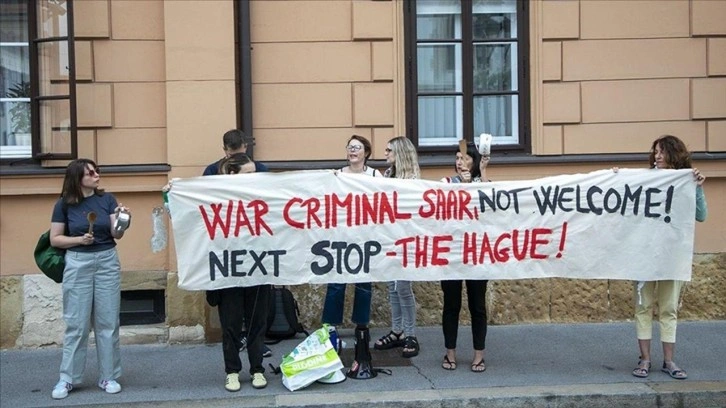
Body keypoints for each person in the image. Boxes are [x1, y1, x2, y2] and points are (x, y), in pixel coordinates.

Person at [49, 159, 131, 399]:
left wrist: (123, 220)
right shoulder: (64, 204)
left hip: (107, 260)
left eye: (97, 171)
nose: (97, 175)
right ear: (78, 178)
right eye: (91, 173)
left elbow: (116, 234)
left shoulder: (107, 200)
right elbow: (55, 238)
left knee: (108, 322)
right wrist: (78, 240)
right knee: (76, 324)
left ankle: (108, 376)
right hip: (77, 262)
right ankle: (68, 378)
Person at [630, 135, 708, 380]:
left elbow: (701, 215)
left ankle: (668, 360)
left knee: (669, 308)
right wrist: (616, 178)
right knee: (643, 307)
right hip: (644, 254)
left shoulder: (686, 181)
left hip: (671, 255)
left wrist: (697, 188)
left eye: (662, 152)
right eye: (655, 152)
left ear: (675, 154)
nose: (658, 156)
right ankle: (645, 359)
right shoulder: (645, 180)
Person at [214, 153, 272, 391]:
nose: (254, 177)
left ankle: (257, 369)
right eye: (248, 173)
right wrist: (171, 194)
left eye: (254, 172)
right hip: (229, 270)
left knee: (258, 322)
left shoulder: (264, 194)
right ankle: (232, 371)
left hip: (258, 267)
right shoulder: (215, 195)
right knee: (231, 324)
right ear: (232, 174)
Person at [322, 136, 382, 347]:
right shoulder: (338, 175)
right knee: (336, 282)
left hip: (365, 237)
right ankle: (330, 326)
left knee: (363, 283)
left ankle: (362, 326)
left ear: (366, 152)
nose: (352, 151)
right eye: (350, 147)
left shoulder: (374, 175)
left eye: (357, 147)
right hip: (341, 236)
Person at [439, 141, 490, 372]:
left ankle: (479, 355)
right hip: (451, 253)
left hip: (477, 254)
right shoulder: (446, 183)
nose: (460, 162)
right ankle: (450, 352)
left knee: (477, 306)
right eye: (457, 158)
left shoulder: (484, 183)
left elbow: (490, 207)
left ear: (475, 161)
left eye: (465, 158)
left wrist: (479, 177)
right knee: (451, 305)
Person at [373, 136, 421, 358]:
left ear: (400, 153)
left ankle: (410, 334)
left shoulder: (413, 182)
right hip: (390, 238)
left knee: (402, 286)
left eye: (389, 150)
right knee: (392, 286)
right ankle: (397, 330)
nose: (385, 153)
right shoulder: (387, 176)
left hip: (407, 239)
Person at [203, 129, 268, 175]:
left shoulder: (260, 169)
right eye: (232, 156)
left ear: (246, 146)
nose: (237, 159)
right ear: (225, 150)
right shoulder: (212, 171)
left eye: (240, 155)